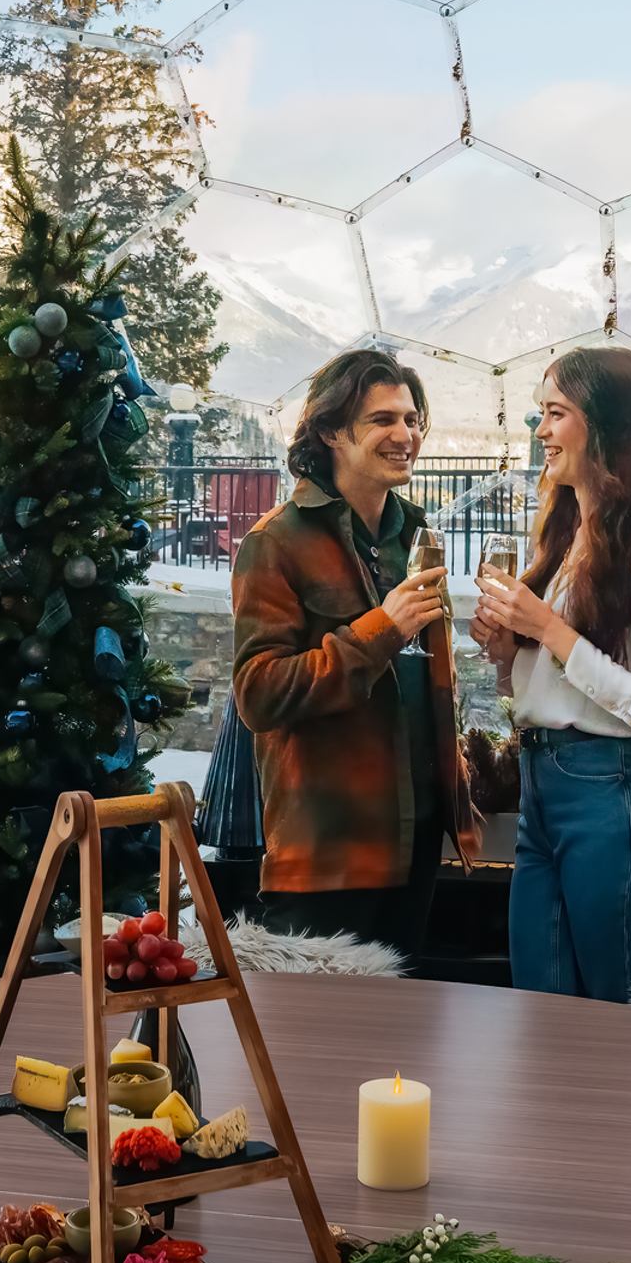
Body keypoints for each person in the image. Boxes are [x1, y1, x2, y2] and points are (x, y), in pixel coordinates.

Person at [472, 347, 631, 1002]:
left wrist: (549, 631)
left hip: (619, 807)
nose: (540, 431)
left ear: (606, 429)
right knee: (538, 1020)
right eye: (539, 414)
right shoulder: (570, 533)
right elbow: (549, 690)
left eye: (556, 414)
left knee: (619, 1040)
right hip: (543, 792)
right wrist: (507, 653)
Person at [231, 350, 473, 962]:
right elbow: (259, 693)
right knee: (316, 1048)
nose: (406, 436)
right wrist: (379, 630)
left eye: (413, 419)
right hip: (328, 851)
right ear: (332, 431)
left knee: (399, 1049)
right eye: (383, 420)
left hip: (418, 841)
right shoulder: (274, 543)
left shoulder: (416, 535)